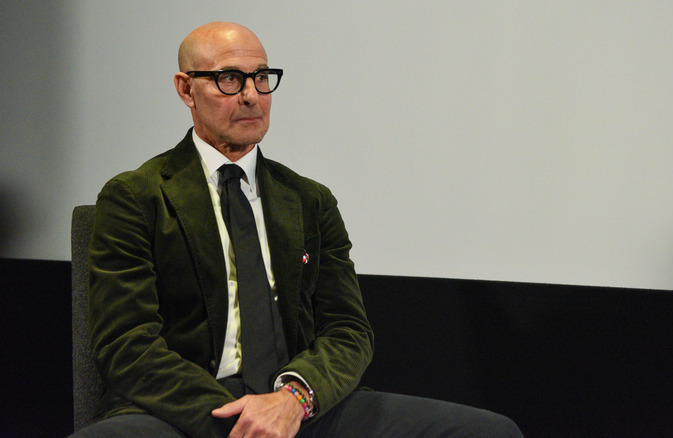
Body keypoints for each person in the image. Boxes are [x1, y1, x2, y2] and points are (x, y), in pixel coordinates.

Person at [73, 21, 523, 438]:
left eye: (261, 78)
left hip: (300, 404)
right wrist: (244, 421)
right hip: (186, 411)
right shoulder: (135, 197)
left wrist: (292, 400)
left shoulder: (309, 200)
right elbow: (127, 346)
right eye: (229, 79)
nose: (251, 95)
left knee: (490, 431)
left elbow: (348, 329)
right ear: (186, 89)